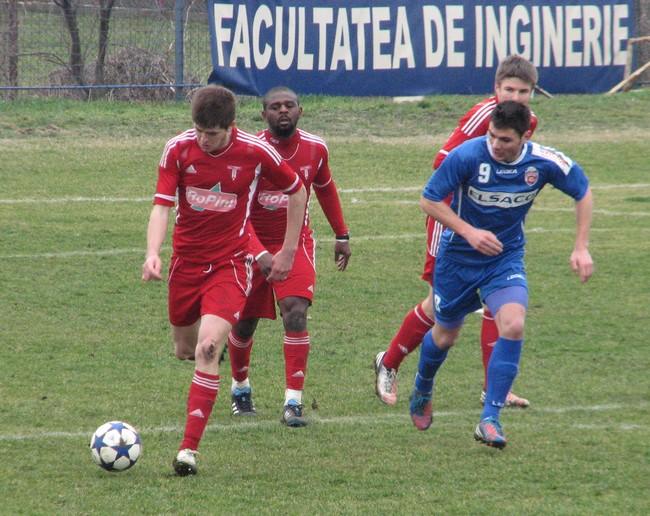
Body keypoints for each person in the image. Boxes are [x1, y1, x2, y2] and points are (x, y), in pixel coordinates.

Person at [141, 85, 307, 476]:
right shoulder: (178, 150)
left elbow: (297, 192)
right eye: (198, 130)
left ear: (230, 126)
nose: (203, 139)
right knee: (186, 349)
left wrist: (287, 251)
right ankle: (215, 364)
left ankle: (188, 450)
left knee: (209, 347)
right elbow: (162, 206)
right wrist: (153, 253)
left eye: (212, 133)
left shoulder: (255, 151)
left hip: (230, 264)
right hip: (185, 265)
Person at [409, 100, 593, 448]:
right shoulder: (467, 155)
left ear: (525, 136)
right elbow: (429, 200)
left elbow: (583, 191)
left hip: (504, 259)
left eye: (505, 140)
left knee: (513, 323)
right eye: (493, 136)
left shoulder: (544, 162)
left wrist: (581, 246)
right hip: (458, 259)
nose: (496, 144)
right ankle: (423, 385)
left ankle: (490, 418)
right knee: (445, 334)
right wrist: (469, 232)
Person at [375, 55, 538, 408]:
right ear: (496, 88)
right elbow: (442, 162)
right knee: (438, 308)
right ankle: (388, 362)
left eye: (523, 91)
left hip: (491, 227)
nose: (515, 97)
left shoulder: (529, 122)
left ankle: (494, 388)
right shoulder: (482, 116)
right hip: (450, 218)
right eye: (509, 89)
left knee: (500, 299)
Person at [226, 86, 351, 427]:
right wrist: (258, 252)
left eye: (289, 105)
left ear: (301, 111)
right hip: (248, 244)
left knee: (295, 312)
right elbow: (237, 211)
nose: (283, 111)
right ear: (264, 115)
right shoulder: (250, 150)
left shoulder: (315, 149)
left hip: (296, 243)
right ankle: (240, 389)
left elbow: (325, 188)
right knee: (244, 322)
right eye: (275, 107)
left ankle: (292, 403)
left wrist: (342, 235)